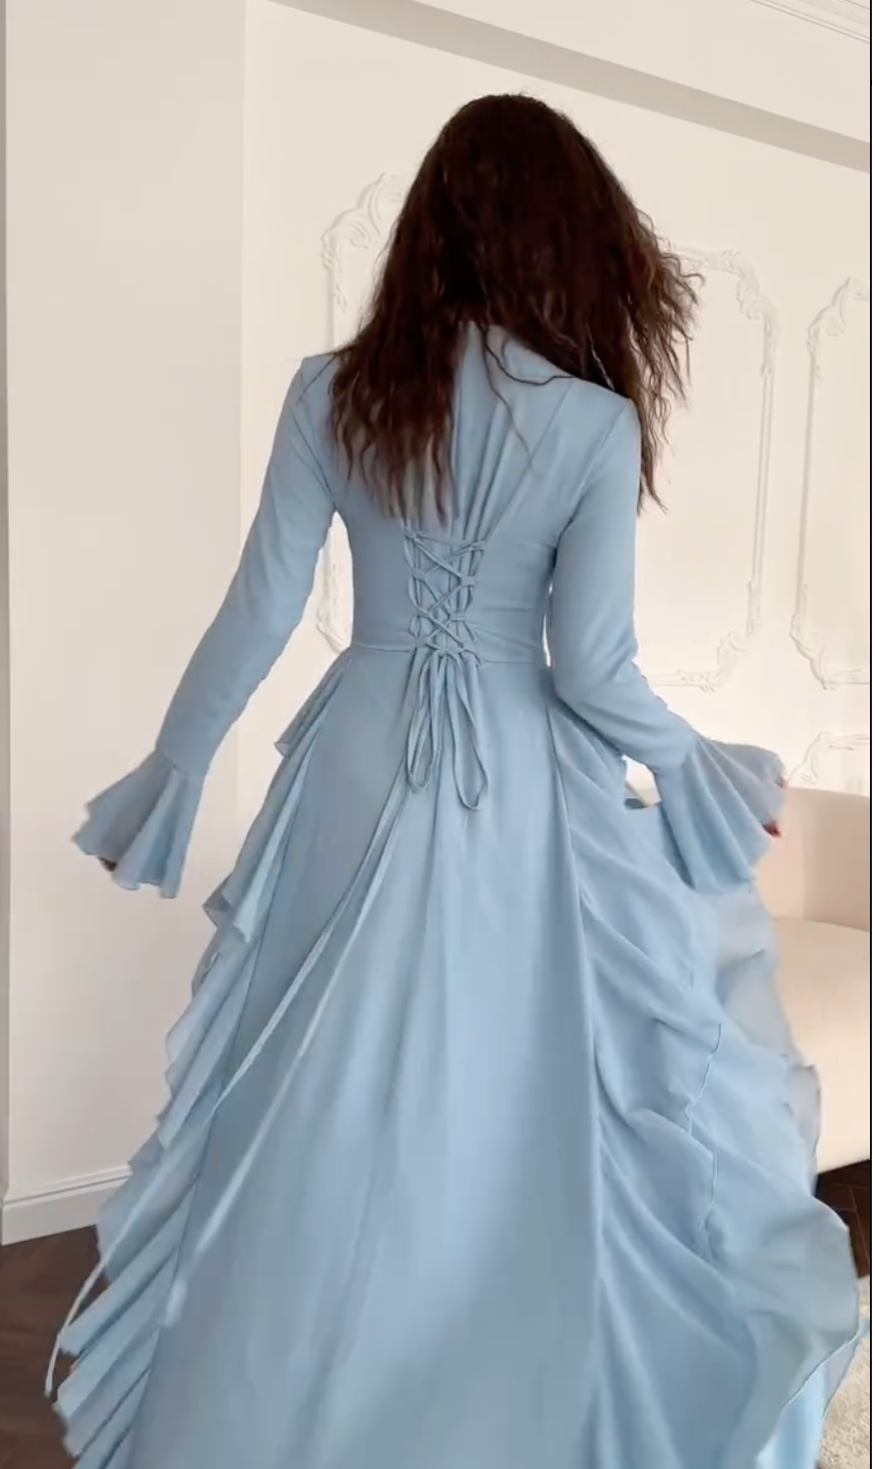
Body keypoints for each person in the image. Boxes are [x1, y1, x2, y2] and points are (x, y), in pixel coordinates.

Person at [49, 95, 859, 1469]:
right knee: (492, 1101)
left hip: (354, 762)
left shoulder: (334, 391)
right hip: (517, 791)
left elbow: (260, 611)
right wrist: (696, 766)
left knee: (318, 1084)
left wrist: (172, 773)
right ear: (568, 234)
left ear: (433, 225)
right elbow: (591, 669)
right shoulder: (593, 423)